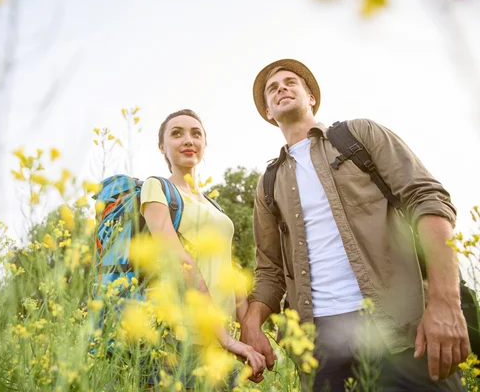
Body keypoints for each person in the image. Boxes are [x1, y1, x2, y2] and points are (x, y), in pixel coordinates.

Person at [239, 59, 468, 391]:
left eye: (290, 82)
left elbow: (428, 200)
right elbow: (270, 270)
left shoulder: (358, 135)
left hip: (400, 327)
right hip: (321, 346)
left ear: (311, 97)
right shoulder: (268, 183)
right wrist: (251, 323)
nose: (281, 89)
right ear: (268, 112)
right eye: (272, 89)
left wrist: (445, 301)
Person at [140, 109, 266, 388]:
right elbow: (179, 259)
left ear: (204, 145)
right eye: (177, 133)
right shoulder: (156, 188)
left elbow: (228, 272)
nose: (188, 139)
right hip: (178, 340)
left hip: (220, 342)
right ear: (162, 147)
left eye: (196, 133)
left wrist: (246, 333)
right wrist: (225, 337)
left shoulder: (214, 205)